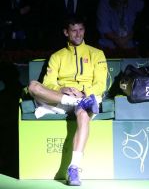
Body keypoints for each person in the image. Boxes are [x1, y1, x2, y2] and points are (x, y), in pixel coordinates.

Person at [28, 15, 108, 186]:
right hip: (62, 98)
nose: (78, 34)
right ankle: (75, 102)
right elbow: (48, 83)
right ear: (66, 32)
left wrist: (84, 93)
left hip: (86, 97)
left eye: (81, 30)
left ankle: (74, 167)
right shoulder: (57, 56)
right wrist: (61, 89)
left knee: (83, 114)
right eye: (73, 30)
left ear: (84, 30)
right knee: (33, 86)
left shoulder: (97, 53)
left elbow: (101, 84)